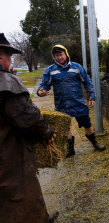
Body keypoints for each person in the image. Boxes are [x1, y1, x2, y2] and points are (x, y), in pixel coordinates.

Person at [0, 33, 58, 222]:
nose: (11, 59)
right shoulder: (5, 82)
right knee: (21, 188)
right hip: (8, 153)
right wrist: (47, 132)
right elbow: (27, 116)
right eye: (8, 54)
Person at [37, 44, 105, 157]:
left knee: (87, 125)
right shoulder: (50, 70)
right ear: (54, 57)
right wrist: (41, 92)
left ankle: (95, 143)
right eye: (57, 55)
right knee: (65, 128)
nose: (59, 57)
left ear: (66, 54)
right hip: (62, 105)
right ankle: (70, 150)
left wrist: (92, 95)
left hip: (78, 104)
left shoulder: (76, 67)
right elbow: (44, 85)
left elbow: (87, 82)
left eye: (61, 54)